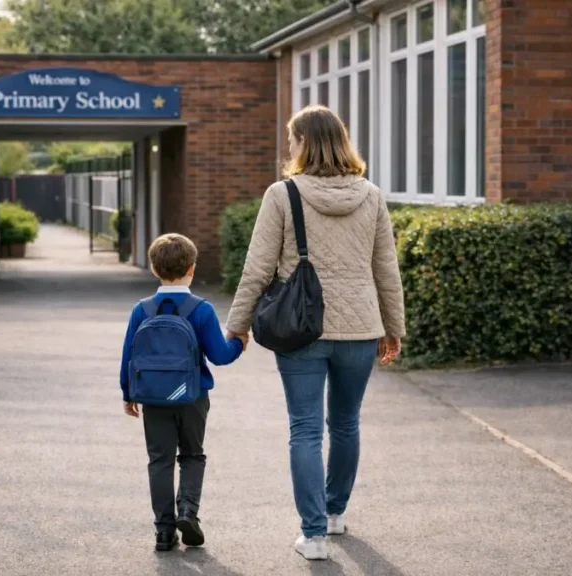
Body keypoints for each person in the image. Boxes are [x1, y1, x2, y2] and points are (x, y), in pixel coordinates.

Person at [225, 105, 405, 561]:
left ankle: (313, 535)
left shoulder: (282, 195)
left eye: (292, 140)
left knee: (305, 429)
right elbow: (387, 270)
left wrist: (238, 326)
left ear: (303, 142)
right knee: (345, 424)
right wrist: (393, 328)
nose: (289, 148)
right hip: (361, 328)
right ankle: (334, 513)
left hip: (300, 327)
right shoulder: (371, 196)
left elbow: (258, 268)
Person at [120, 233, 247, 552]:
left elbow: (129, 355)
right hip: (192, 397)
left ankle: (164, 531)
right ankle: (188, 513)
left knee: (159, 460)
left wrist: (128, 392)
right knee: (192, 454)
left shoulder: (143, 309)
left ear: (153, 269)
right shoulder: (200, 309)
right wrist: (240, 343)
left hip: (152, 397)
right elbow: (220, 355)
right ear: (192, 268)